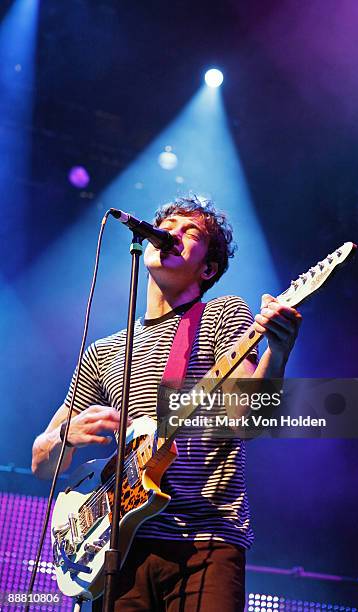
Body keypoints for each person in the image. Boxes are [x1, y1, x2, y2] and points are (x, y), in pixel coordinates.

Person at [32, 195, 302, 611]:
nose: (172, 232)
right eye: (168, 224)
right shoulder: (104, 352)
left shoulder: (222, 315)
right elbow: (42, 465)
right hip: (118, 550)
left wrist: (277, 353)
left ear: (207, 268)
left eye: (189, 231)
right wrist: (66, 437)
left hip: (206, 542)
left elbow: (248, 417)